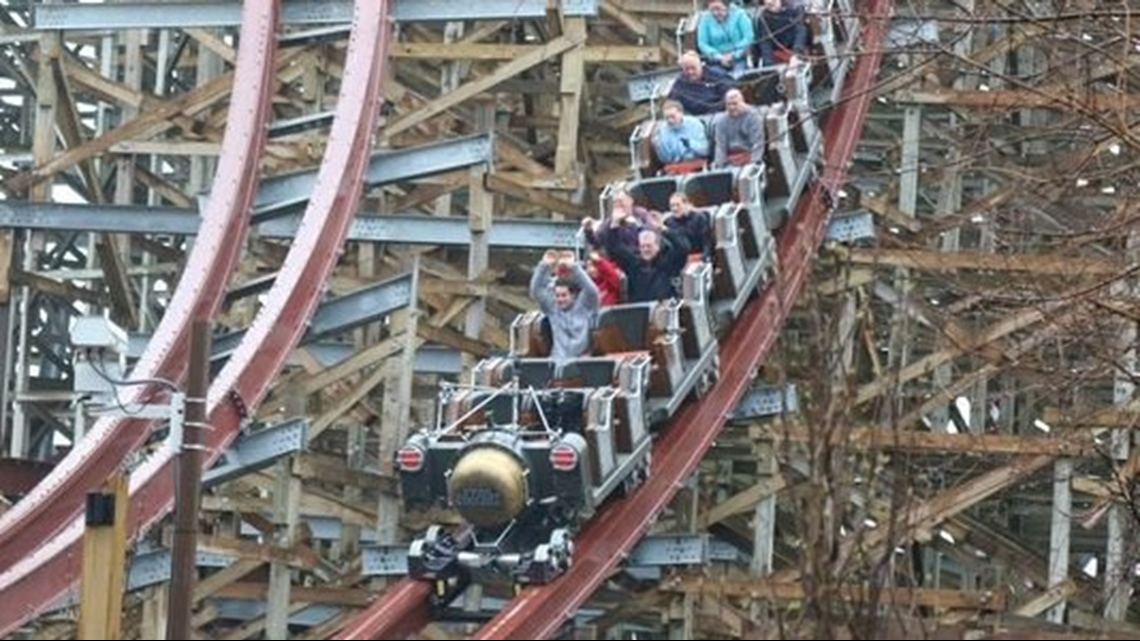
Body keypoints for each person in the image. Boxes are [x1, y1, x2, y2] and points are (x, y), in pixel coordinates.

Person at [529, 250, 600, 360]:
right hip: (557, 361)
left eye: (564, 295)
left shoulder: (585, 306)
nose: (560, 299)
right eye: (557, 296)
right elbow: (536, 290)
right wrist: (544, 265)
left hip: (581, 362)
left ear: (573, 295)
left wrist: (574, 267)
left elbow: (592, 291)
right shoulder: (553, 308)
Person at [603, 214, 691, 303]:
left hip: (663, 311)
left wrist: (663, 229)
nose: (645, 249)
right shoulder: (633, 264)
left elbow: (683, 247)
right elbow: (614, 247)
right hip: (639, 312)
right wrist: (615, 224)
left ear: (657, 246)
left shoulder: (668, 262)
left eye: (649, 246)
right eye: (643, 246)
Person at [696, 0, 755, 76]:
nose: (715, 13)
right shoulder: (705, 18)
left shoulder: (740, 14)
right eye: (711, 10)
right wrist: (719, 57)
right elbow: (702, 43)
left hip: (739, 58)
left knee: (738, 78)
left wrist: (733, 55)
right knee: (716, 78)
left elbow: (748, 38)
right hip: (716, 61)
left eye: (718, 8)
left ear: (727, 6)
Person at [668, 51, 735, 116]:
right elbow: (672, 103)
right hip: (693, 118)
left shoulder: (715, 75)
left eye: (693, 68)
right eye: (687, 69)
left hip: (719, 114)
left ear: (700, 65)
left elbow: (730, 94)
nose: (690, 72)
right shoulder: (680, 83)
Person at [712, 88, 765, 168]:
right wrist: (719, 165)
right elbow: (720, 146)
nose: (732, 107)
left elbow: (758, 143)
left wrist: (753, 164)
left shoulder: (753, 116)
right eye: (728, 104)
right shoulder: (721, 121)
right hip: (730, 159)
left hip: (749, 155)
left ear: (742, 102)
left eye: (735, 104)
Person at [653, 100, 710, 166]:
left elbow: (706, 150)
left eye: (672, 116)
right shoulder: (663, 131)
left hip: (698, 163)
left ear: (681, 113)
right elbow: (666, 160)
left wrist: (690, 144)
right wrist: (659, 147)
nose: (670, 120)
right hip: (676, 167)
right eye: (667, 118)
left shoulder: (695, 124)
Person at [755, 0, 809, 66]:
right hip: (777, 54)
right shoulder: (763, 18)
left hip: (797, 50)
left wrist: (796, 54)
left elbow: (800, 32)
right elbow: (765, 43)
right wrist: (769, 64)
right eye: (768, 5)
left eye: (774, 2)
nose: (771, 6)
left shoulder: (795, 8)